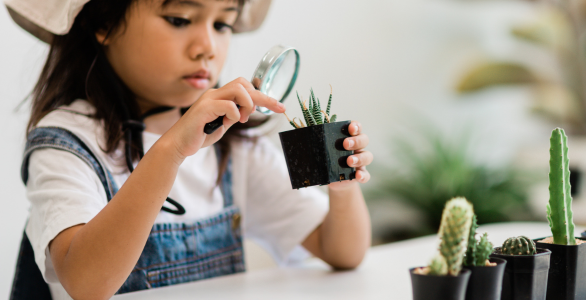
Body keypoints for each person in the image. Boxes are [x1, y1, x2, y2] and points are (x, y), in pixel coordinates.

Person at [6, 0, 373, 299]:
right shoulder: (67, 141)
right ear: (104, 24)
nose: (207, 48)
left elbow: (343, 252)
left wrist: (342, 189)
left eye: (222, 25)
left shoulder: (233, 144)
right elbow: (85, 284)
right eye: (179, 19)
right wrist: (171, 151)